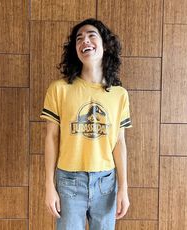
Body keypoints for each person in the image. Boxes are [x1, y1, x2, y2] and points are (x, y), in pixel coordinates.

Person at [40, 18, 133, 230]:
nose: (85, 41)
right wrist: (49, 186)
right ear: (75, 50)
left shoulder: (119, 95)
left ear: (105, 45)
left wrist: (123, 188)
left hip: (106, 182)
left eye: (92, 35)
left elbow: (119, 143)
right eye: (79, 39)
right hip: (69, 181)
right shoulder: (59, 89)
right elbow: (51, 137)